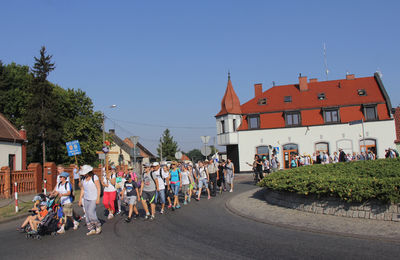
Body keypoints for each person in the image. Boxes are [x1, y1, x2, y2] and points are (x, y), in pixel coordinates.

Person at [79, 165, 101, 236]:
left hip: (93, 198)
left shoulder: (94, 177)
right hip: (86, 198)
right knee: (87, 214)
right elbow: (82, 189)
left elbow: (98, 188)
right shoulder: (83, 179)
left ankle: (97, 225)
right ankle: (91, 229)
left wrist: (98, 198)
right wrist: (80, 199)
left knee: (91, 213)